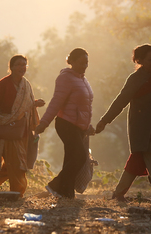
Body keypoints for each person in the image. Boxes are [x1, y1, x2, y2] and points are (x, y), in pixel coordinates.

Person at [95, 44, 151, 204]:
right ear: (139, 60)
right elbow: (121, 101)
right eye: (149, 59)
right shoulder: (135, 79)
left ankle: (118, 194)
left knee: (136, 161)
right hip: (141, 128)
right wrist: (105, 120)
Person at [0, 55, 44, 197]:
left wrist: (34, 103)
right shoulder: (2, 85)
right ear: (11, 67)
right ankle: (17, 192)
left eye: (24, 65)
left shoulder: (26, 85)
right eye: (18, 65)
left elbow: (24, 106)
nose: (22, 67)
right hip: (7, 131)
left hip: (22, 131)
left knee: (14, 163)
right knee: (16, 165)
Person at [35, 48, 94, 199]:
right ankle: (56, 185)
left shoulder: (83, 79)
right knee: (80, 156)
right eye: (81, 63)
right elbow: (56, 102)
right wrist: (44, 123)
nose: (84, 66)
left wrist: (88, 126)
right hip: (66, 124)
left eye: (86, 63)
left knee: (70, 158)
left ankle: (67, 193)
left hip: (78, 127)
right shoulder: (65, 78)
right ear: (71, 62)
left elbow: (85, 105)